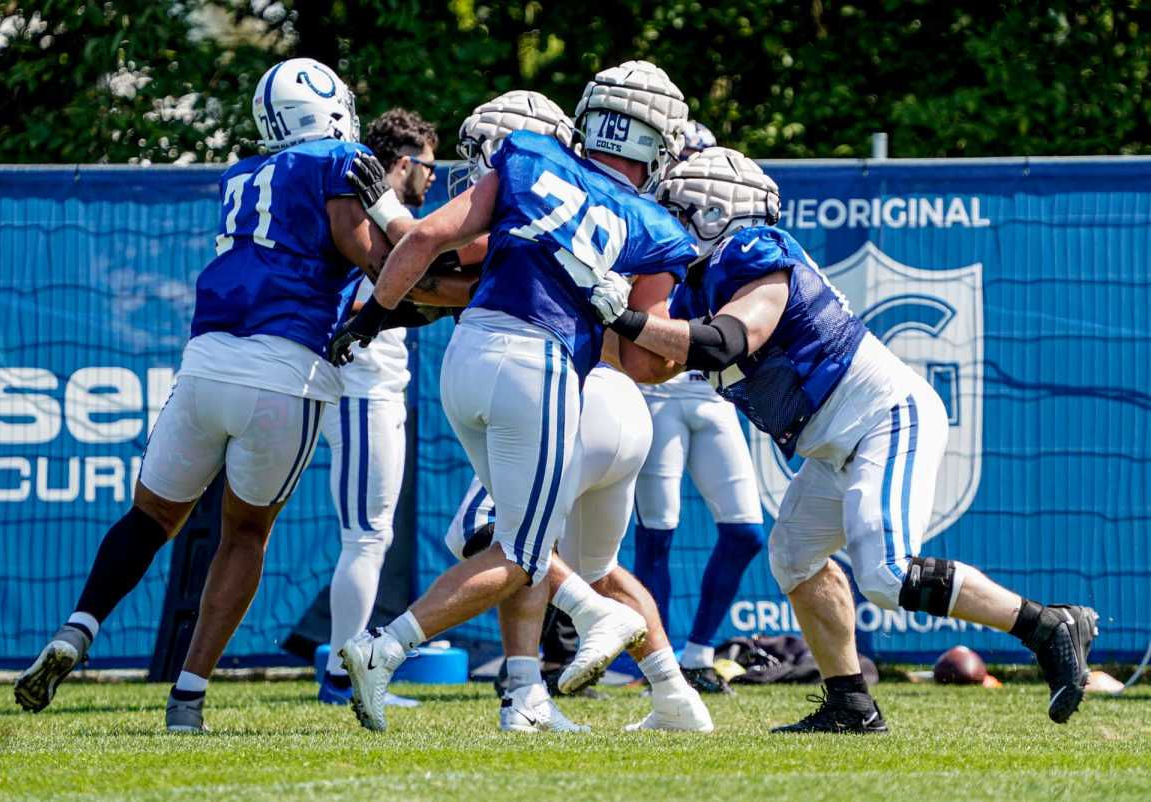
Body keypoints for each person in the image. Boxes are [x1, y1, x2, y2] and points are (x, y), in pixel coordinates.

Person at [12, 58, 471, 733]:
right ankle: (189, 696)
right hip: (284, 370)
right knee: (246, 534)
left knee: (149, 518)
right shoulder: (341, 158)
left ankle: (78, 628)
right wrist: (454, 281)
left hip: (204, 363)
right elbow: (371, 257)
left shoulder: (240, 174)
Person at [593, 146, 1100, 733]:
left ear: (709, 213)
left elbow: (728, 341)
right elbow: (649, 363)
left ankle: (1047, 625)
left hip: (885, 418)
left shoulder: (756, 253)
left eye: (673, 211)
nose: (662, 224)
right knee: (793, 558)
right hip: (834, 445)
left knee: (886, 574)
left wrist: (625, 317)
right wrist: (587, 315)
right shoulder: (701, 281)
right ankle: (850, 704)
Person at [329, 61, 700, 733]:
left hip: (469, 360)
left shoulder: (531, 158)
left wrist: (369, 317)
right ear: (658, 142)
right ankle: (382, 651)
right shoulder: (654, 226)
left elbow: (430, 242)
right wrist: (644, 325)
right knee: (521, 552)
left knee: (516, 543)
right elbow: (647, 362)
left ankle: (539, 680)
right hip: (550, 371)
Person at [631, 120, 768, 695]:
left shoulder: (732, 240)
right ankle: (657, 665)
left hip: (710, 393)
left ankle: (697, 652)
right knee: (657, 533)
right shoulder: (649, 221)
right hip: (657, 394)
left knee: (746, 532)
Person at [316, 108, 440, 709]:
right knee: (365, 536)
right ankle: (344, 677)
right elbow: (417, 265)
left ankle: (347, 668)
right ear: (401, 164)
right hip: (361, 385)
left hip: (371, 385)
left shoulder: (379, 218)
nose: (434, 178)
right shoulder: (376, 220)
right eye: (427, 166)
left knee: (368, 536)